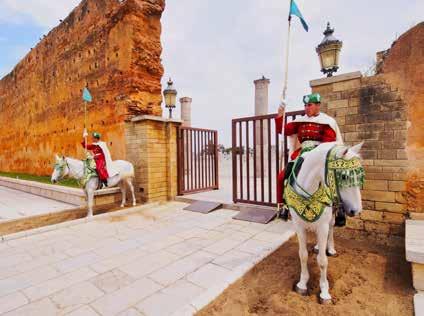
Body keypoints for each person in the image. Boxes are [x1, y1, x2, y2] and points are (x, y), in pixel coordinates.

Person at [276, 93, 344, 224]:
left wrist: (317, 152)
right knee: (281, 177)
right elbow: (283, 130)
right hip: (301, 154)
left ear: (318, 105)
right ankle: (283, 206)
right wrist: (280, 112)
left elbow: (329, 141)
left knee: (335, 176)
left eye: (310, 105)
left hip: (320, 153)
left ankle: (339, 208)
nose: (307, 108)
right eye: (305, 105)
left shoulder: (327, 122)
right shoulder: (300, 121)